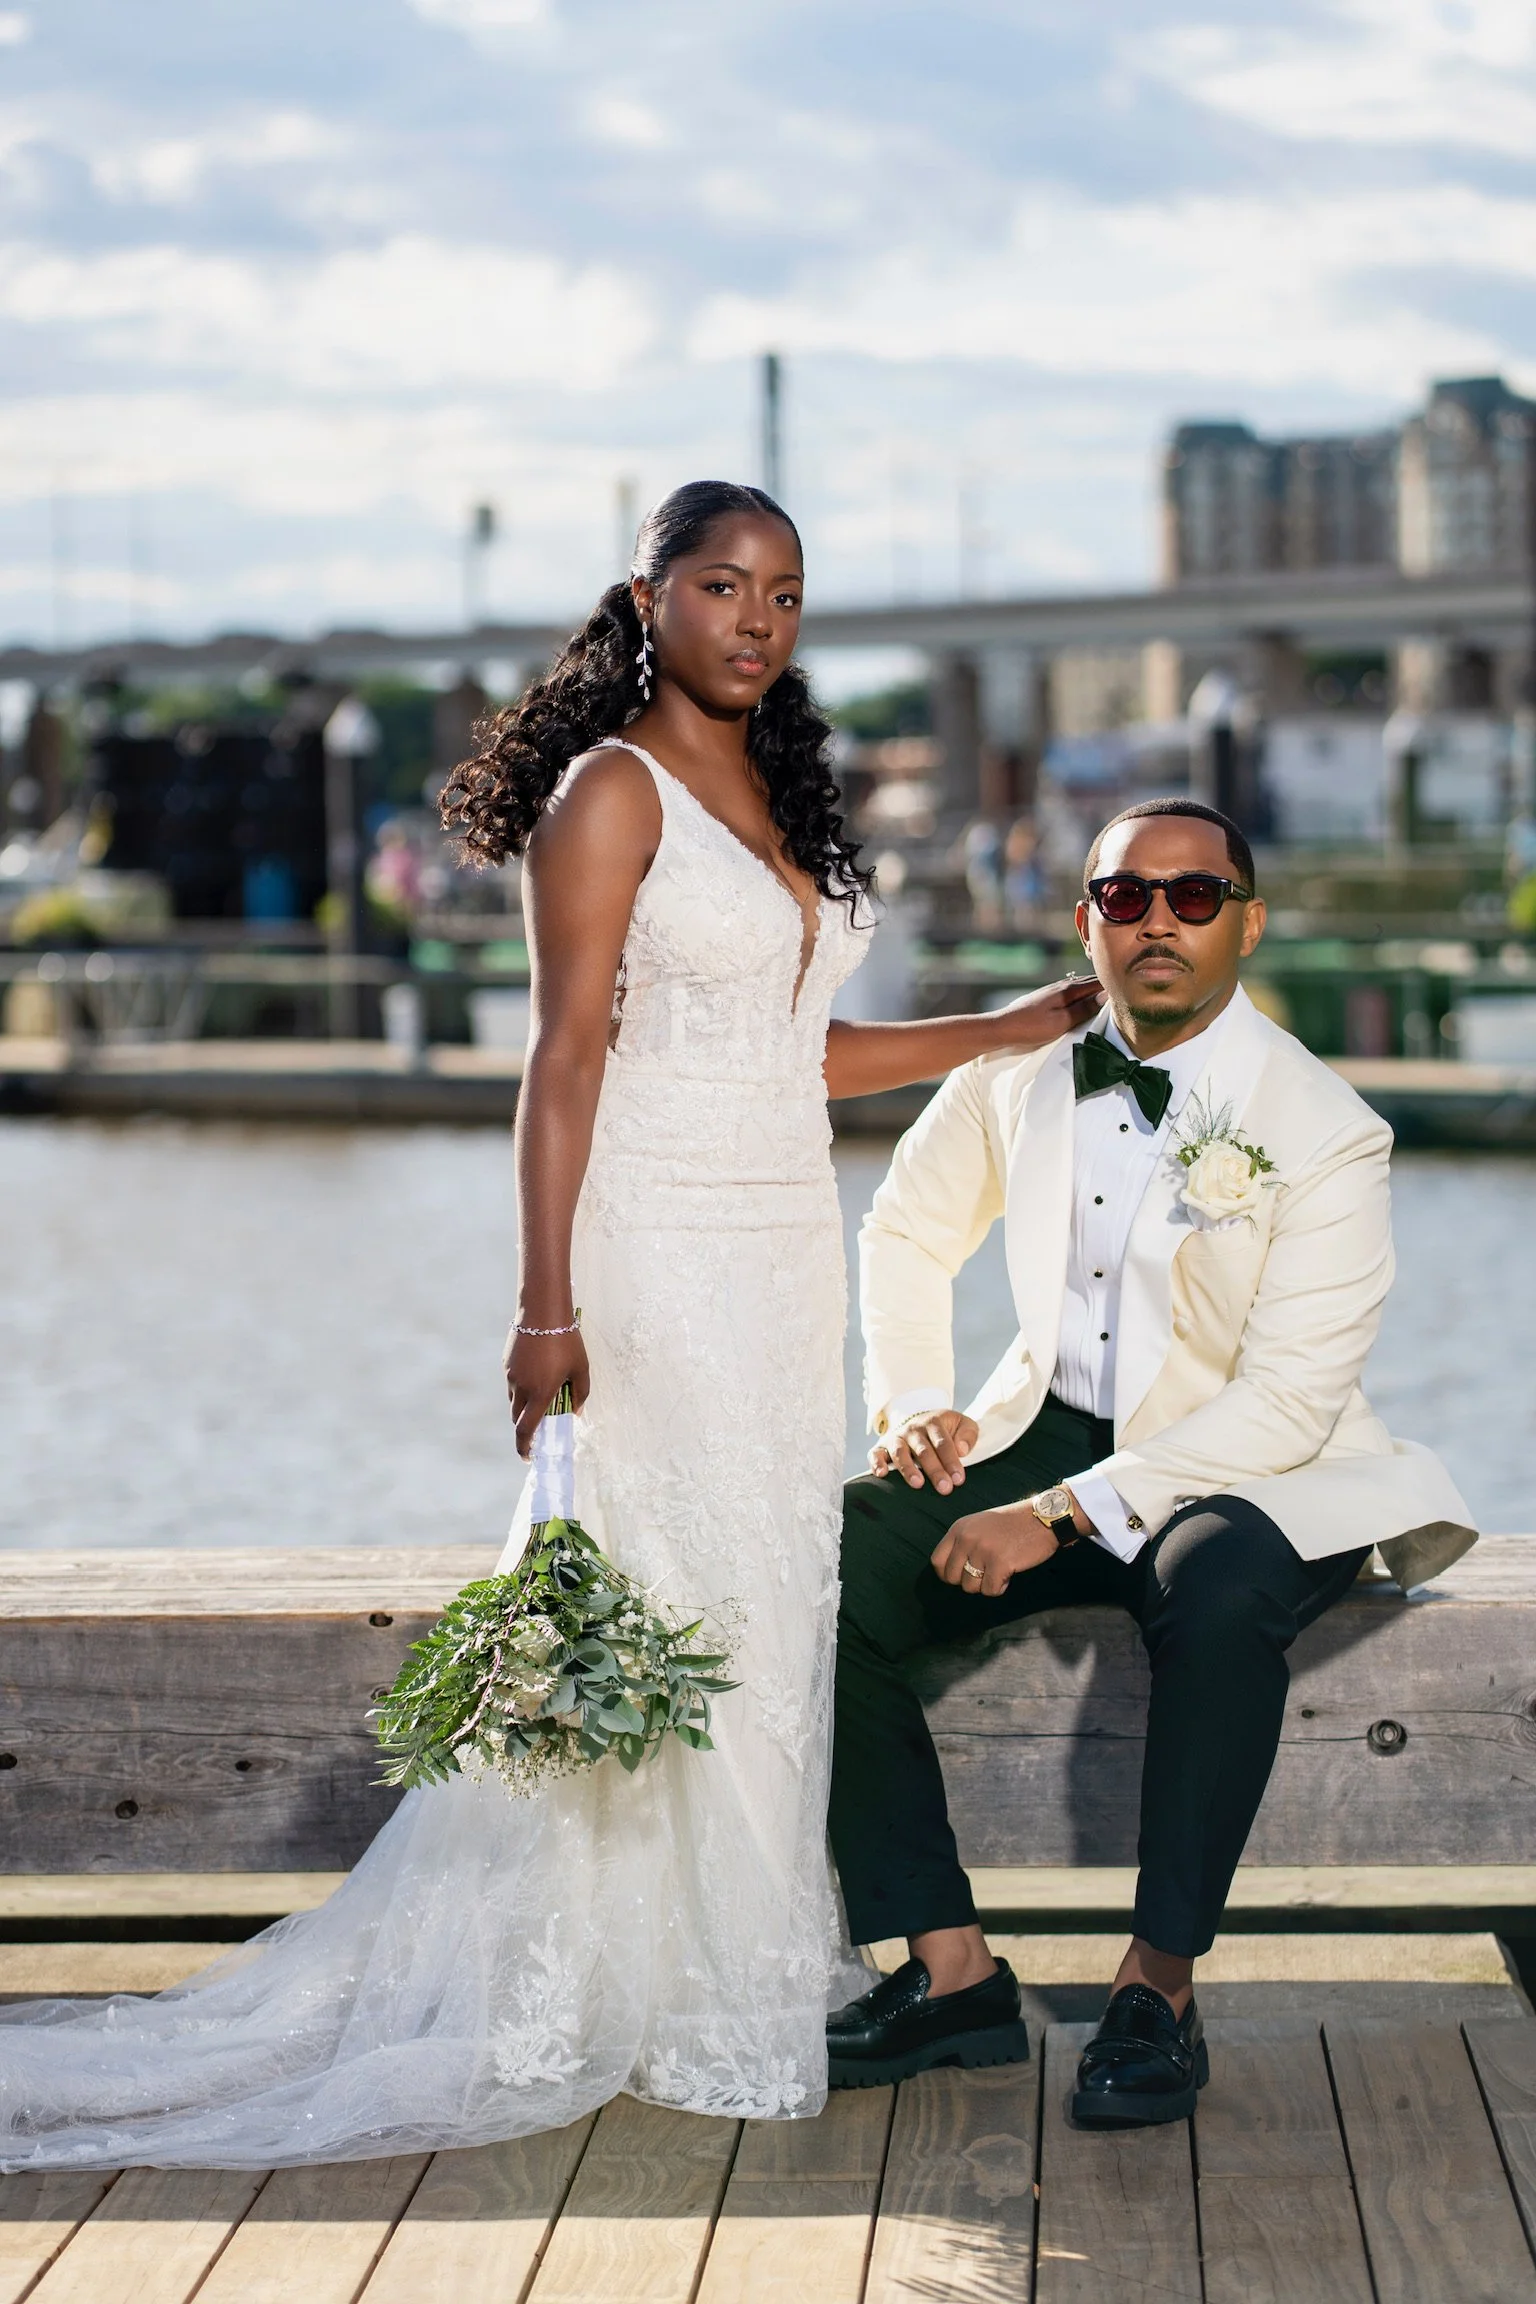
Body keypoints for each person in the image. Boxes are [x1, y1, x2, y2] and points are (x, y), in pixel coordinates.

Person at [0, 481, 1101, 2171]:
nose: (757, 620)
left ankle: (735, 1975)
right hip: (654, 1260)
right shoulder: (611, 793)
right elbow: (565, 1060)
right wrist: (543, 1308)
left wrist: (1005, 1028)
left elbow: (797, 1061)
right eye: (724, 586)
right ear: (645, 599)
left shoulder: (782, 792)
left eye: (787, 595)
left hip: (784, 1261)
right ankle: (635, 1991)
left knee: (773, 1607)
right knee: (677, 1594)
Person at [824, 796, 1477, 2128]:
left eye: (1193, 896)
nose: (1158, 923)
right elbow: (904, 1232)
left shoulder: (1325, 1124)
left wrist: (1056, 1517)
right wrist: (917, 1403)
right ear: (1086, 920)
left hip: (1257, 1461)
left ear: (1246, 920)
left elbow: (1291, 1399)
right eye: (1126, 899)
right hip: (1045, 1420)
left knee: (1225, 1590)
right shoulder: (1018, 1066)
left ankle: (1158, 1989)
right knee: (819, 1557)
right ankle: (950, 1974)